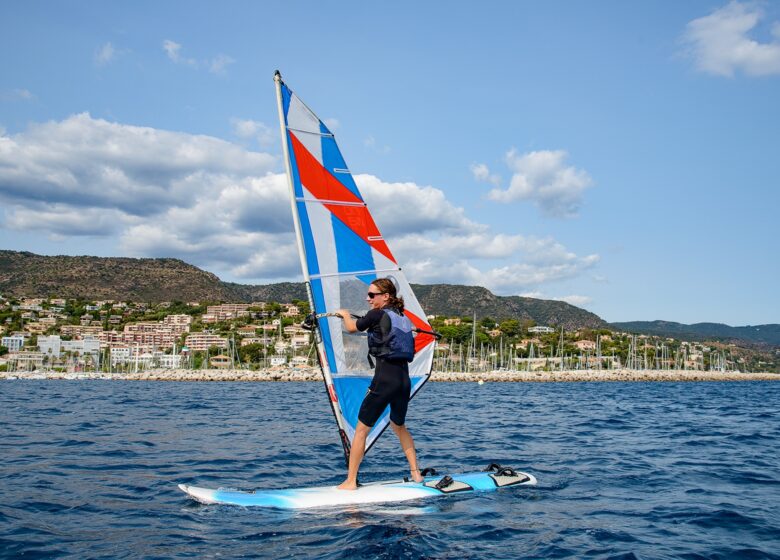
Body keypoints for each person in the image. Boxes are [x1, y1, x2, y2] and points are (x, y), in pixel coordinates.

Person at [335, 278, 424, 490]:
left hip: (384, 380)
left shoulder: (376, 314)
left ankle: (350, 482)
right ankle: (416, 474)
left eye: (372, 295)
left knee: (361, 431)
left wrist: (345, 314)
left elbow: (352, 328)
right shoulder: (402, 317)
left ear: (386, 296)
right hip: (404, 381)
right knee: (398, 425)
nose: (368, 299)